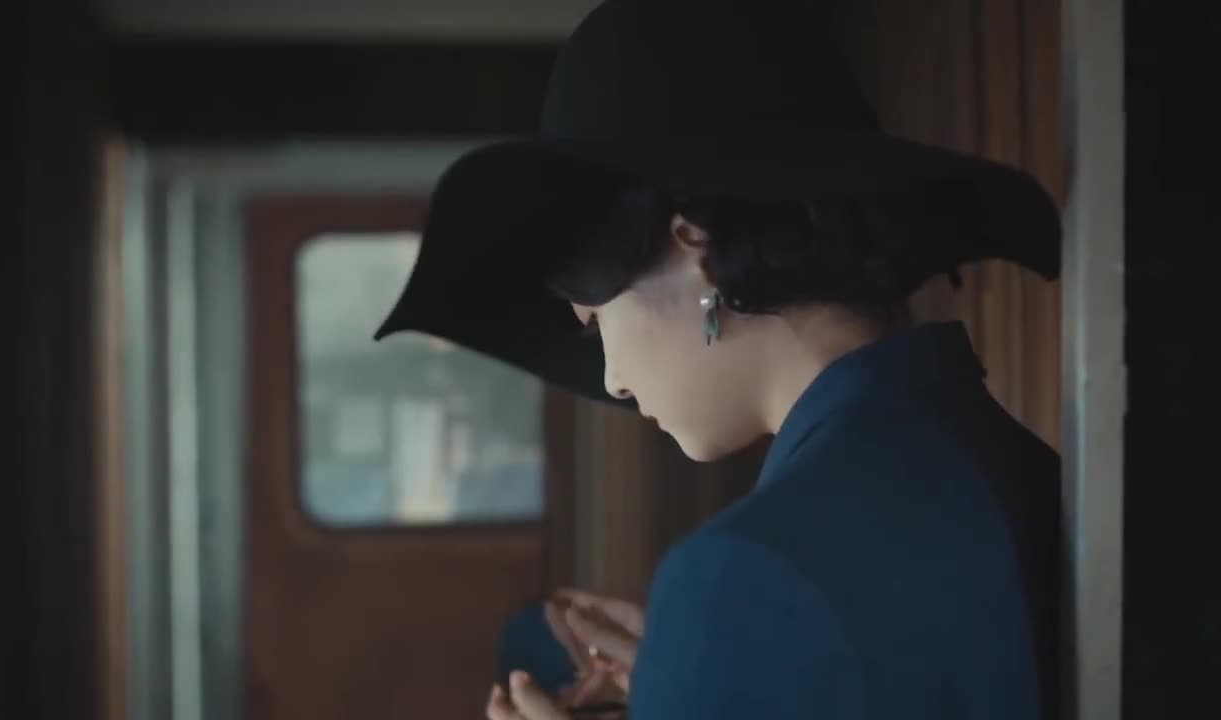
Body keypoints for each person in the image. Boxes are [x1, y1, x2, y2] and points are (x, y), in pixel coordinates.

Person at [374, 0, 1063, 718]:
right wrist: (705, 678)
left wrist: (719, 644)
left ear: (693, 248)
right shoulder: (1005, 458)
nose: (612, 379)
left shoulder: (749, 574)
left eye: (596, 320)